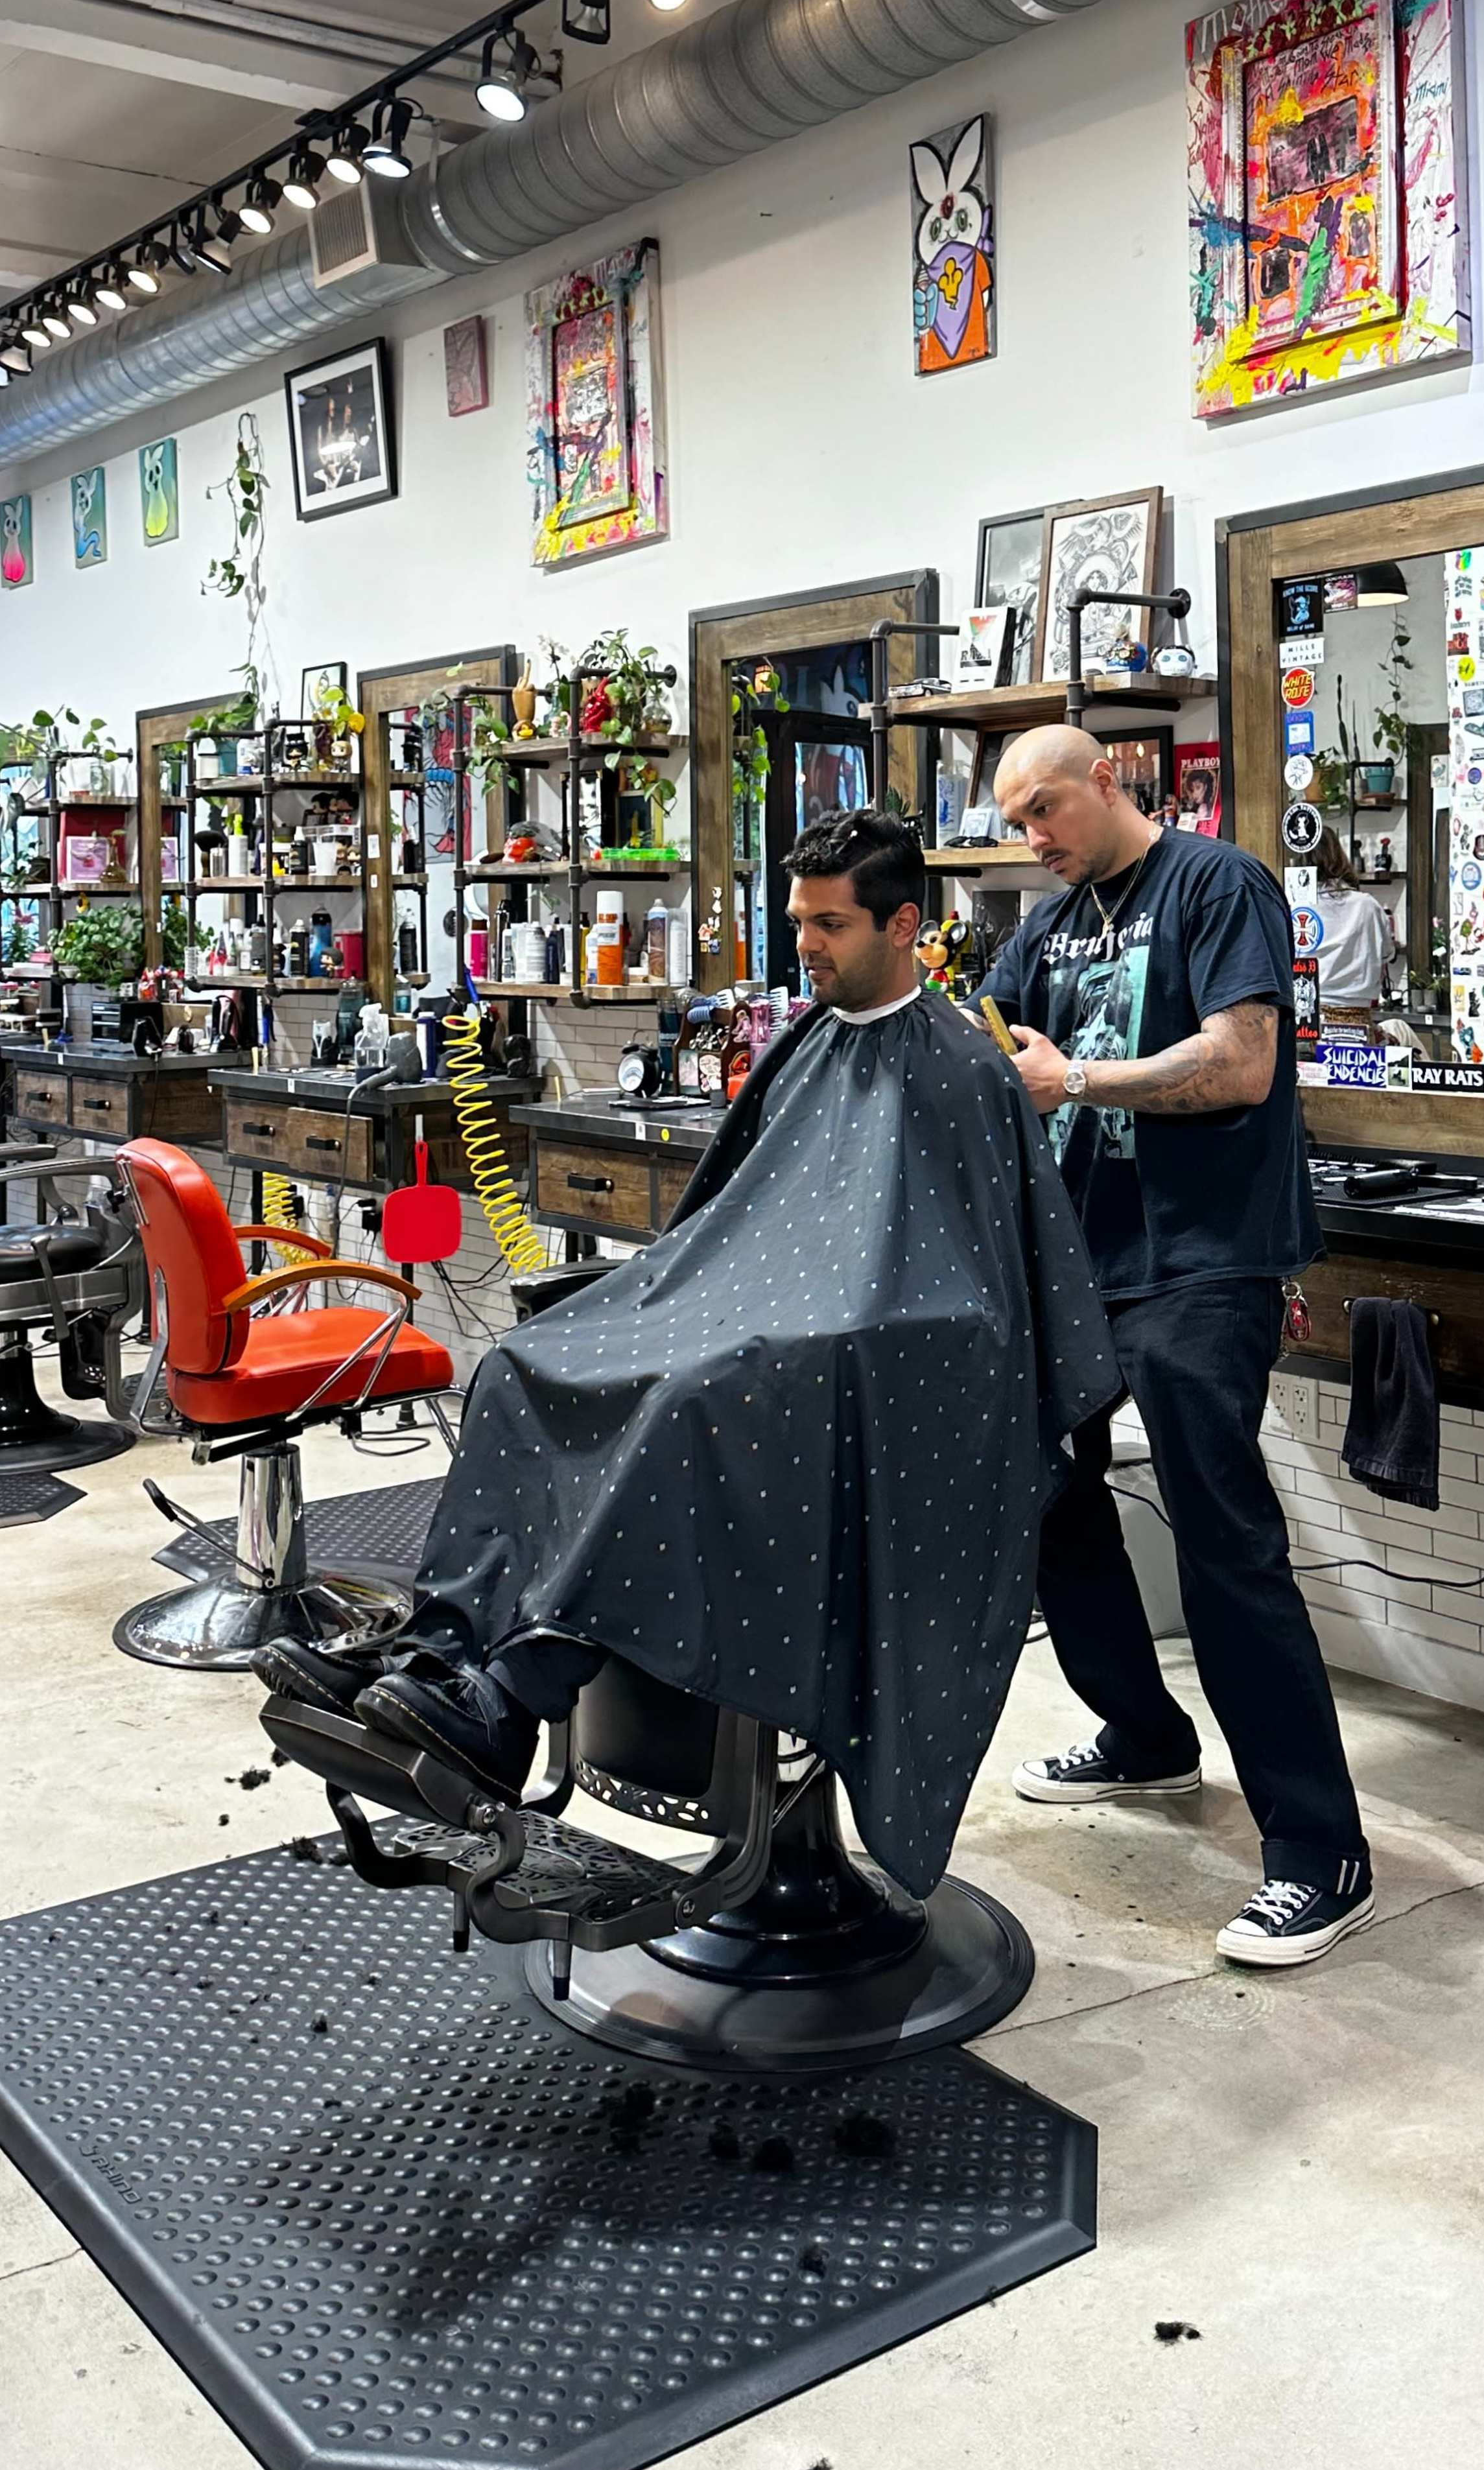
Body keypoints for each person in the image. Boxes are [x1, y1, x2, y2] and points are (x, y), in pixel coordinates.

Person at [259, 810, 1118, 1900]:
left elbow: (971, 1296)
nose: (806, 945)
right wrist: (713, 1309)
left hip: (874, 1384)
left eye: (832, 926)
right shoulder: (815, 1040)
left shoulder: (963, 1070)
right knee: (525, 1366)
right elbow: (736, 1222)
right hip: (768, 1334)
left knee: (685, 1401)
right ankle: (434, 1663)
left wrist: (802, 1337)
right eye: (799, 921)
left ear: (907, 925)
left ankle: (511, 1695)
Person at [985, 723, 1374, 1968]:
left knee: (1225, 1540)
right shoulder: (1051, 925)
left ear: (1109, 778)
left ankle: (1322, 1854)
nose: (1032, 839)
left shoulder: (1217, 883)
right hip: (1081, 1266)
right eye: (1014, 824)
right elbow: (993, 1047)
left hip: (1205, 1263)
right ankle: (1143, 1731)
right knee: (1042, 1490)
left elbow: (1244, 1065)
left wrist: (1081, 1082)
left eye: (1045, 809)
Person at [1311, 825, 1395, 1020]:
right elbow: (1387, 956)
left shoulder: (1294, 907)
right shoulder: (1367, 905)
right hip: (1359, 1017)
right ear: (1339, 855)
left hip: (1308, 1019)